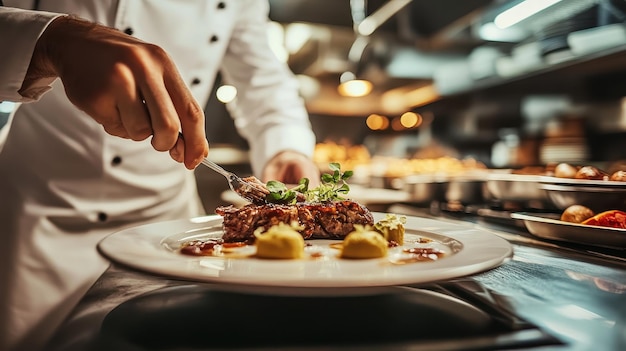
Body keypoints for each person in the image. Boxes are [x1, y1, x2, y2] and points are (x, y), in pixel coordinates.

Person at [0, 1, 320, 350]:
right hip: (40, 218)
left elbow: (262, 77)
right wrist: (52, 41)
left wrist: (286, 148)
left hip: (169, 226)